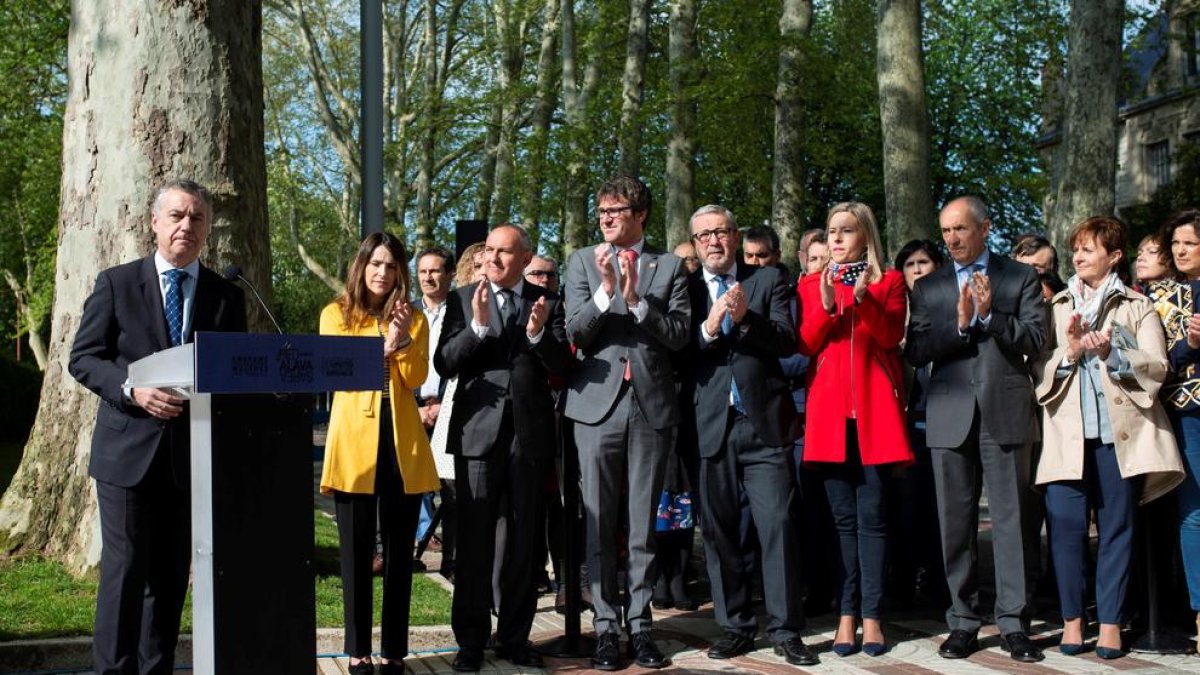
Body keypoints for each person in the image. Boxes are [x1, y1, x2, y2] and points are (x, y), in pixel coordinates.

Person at [68, 179, 247, 675]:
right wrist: (131, 388)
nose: (186, 225)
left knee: (169, 581)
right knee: (125, 576)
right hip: (127, 457)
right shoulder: (117, 283)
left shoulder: (226, 297)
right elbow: (84, 359)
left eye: (197, 218)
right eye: (176, 215)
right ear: (154, 222)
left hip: (191, 459)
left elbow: (236, 371)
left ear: (207, 229)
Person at [1033, 216, 1184, 659]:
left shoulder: (1137, 305)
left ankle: (1113, 622)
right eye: (1075, 248)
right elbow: (1036, 367)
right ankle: (1073, 621)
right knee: (1065, 529)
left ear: (1114, 257)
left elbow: (1158, 367)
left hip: (1120, 441)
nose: (1077, 256)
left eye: (1088, 249)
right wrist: (1071, 353)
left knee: (1117, 530)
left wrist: (1111, 352)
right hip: (1066, 440)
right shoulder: (1056, 305)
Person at [905, 195, 1046, 663]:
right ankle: (963, 620)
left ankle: (1013, 623)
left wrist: (990, 316)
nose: (951, 239)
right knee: (955, 525)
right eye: (945, 231)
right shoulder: (930, 287)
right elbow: (918, 349)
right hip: (949, 415)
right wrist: (962, 326)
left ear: (984, 228)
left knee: (1012, 524)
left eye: (960, 230)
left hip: (1004, 411)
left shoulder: (1019, 276)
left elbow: (1034, 338)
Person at [562, 175, 690, 670]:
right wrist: (605, 293)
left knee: (642, 528)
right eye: (601, 212)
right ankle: (604, 628)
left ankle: (641, 627)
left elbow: (679, 336)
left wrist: (637, 302)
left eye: (615, 211)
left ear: (640, 215)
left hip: (651, 407)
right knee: (598, 524)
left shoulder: (672, 266)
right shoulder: (580, 263)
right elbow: (573, 330)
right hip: (595, 407)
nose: (606, 219)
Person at [435, 224, 571, 672]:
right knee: (473, 542)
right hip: (478, 431)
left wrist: (536, 335)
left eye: (503, 252)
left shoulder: (546, 299)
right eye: (488, 250)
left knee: (524, 542)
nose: (491, 259)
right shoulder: (461, 298)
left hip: (529, 435)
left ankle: (515, 637)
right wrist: (476, 327)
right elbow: (445, 363)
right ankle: (471, 642)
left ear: (525, 256)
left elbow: (564, 365)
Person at [683, 205, 816, 665]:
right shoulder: (684, 288)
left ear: (735, 237)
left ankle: (785, 629)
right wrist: (708, 326)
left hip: (763, 424)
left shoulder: (768, 281)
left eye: (721, 232)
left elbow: (784, 340)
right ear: (696, 245)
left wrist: (744, 320)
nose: (713, 241)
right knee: (719, 534)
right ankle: (735, 625)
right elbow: (677, 351)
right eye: (704, 236)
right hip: (708, 426)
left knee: (777, 525)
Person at [318, 232, 439, 675]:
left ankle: (393, 651)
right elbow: (338, 370)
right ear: (361, 266)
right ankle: (356, 651)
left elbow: (416, 377)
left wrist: (402, 341)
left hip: (401, 443)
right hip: (354, 444)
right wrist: (381, 350)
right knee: (354, 554)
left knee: (398, 556)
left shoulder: (415, 319)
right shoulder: (335, 314)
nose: (382, 273)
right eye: (376, 264)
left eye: (391, 266)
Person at [797, 202, 912, 657]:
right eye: (832, 232)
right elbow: (805, 343)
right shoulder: (810, 282)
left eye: (847, 231)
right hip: (829, 419)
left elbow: (889, 337)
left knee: (873, 521)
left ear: (866, 235)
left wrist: (862, 299)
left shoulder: (890, 281)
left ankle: (873, 617)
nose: (838, 240)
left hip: (874, 416)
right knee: (842, 523)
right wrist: (827, 304)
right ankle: (846, 616)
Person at [888, 239, 949, 609]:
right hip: (905, 427)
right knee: (904, 509)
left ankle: (941, 584)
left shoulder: (950, 311)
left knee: (942, 511)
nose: (917, 270)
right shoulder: (894, 315)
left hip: (945, 422)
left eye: (924, 262)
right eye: (909, 264)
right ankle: (903, 581)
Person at [1157, 208, 1200, 639]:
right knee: (1195, 514)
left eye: (1190, 242)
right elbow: (1156, 365)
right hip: (1188, 414)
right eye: (1176, 243)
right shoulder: (1164, 297)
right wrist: (1189, 346)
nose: (1181, 250)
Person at [414, 247, 457, 579]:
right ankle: (408, 551)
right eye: (423, 271)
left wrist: (443, 406)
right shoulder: (407, 312)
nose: (428, 277)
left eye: (435, 271)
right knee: (409, 485)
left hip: (449, 408)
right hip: (411, 410)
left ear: (450, 274)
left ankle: (451, 561)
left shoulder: (462, 310)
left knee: (451, 490)